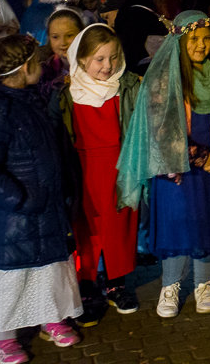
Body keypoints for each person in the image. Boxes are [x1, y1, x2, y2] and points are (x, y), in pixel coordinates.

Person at [0, 35, 82, 364]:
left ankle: (51, 317)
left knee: (50, 269)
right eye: (38, 61)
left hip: (45, 206)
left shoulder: (29, 99)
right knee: (14, 276)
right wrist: (19, 198)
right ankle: (0, 339)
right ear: (24, 67)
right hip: (19, 214)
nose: (43, 65)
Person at [116, 12, 210, 319]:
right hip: (175, 168)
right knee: (176, 224)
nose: (201, 45)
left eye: (207, 38)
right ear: (178, 41)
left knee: (208, 223)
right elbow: (158, 129)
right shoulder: (163, 78)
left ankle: (204, 284)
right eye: (194, 39)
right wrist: (199, 156)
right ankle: (170, 285)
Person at [52, 24, 141, 326]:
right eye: (99, 59)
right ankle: (87, 284)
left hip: (119, 169)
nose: (108, 66)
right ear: (81, 59)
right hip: (84, 171)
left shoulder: (126, 87)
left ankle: (117, 283)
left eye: (113, 57)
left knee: (119, 226)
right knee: (86, 229)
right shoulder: (67, 94)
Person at [37, 8, 85, 102]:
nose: (63, 43)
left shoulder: (96, 66)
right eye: (55, 37)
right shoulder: (43, 73)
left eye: (69, 35)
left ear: (81, 34)